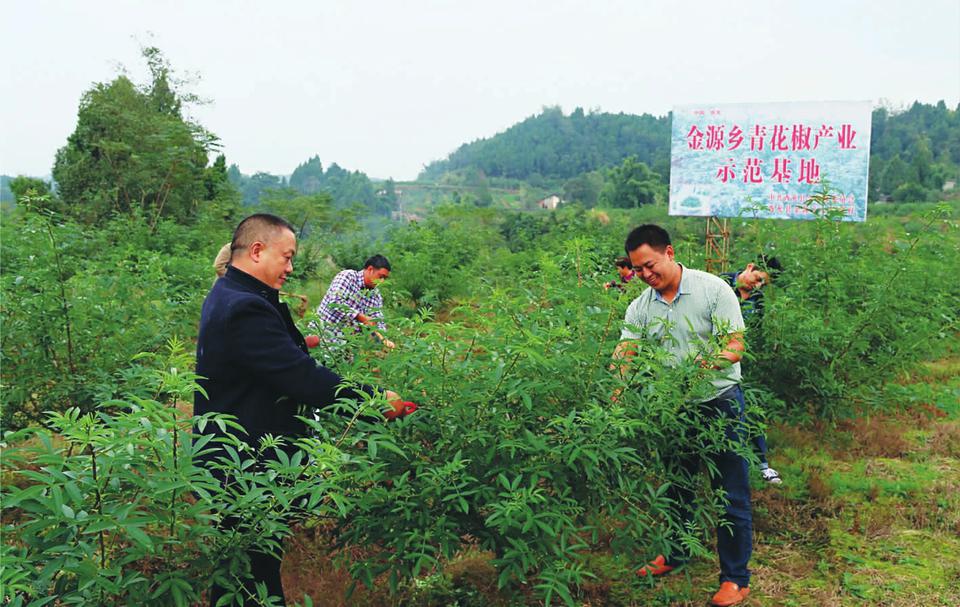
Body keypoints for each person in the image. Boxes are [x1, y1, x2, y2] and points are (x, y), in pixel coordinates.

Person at [195, 214, 409, 606]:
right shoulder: (245, 306)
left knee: (246, 568)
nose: (292, 268)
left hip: (242, 458)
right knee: (251, 574)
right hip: (245, 464)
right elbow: (302, 379)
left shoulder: (235, 294)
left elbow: (270, 361)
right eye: (287, 257)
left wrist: (294, 346)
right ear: (257, 251)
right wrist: (376, 402)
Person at [615, 224, 753, 607]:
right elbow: (627, 349)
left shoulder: (714, 290)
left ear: (670, 253)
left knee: (731, 493)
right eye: (638, 269)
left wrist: (700, 366)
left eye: (650, 265)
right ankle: (675, 555)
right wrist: (617, 383)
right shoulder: (641, 306)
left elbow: (735, 345)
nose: (645, 274)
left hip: (719, 403)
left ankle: (735, 578)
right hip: (673, 410)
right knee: (677, 489)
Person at [721, 258, 784, 484]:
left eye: (763, 284)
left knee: (751, 411)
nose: (757, 286)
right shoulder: (720, 284)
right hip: (717, 362)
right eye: (758, 279)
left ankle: (763, 465)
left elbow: (758, 330)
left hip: (744, 365)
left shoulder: (757, 299)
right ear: (749, 267)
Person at [316, 254, 395, 350]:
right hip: (323, 338)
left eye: (385, 278)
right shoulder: (348, 276)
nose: (382, 281)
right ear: (370, 269)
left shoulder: (375, 295)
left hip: (346, 347)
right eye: (380, 276)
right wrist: (360, 317)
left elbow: (377, 320)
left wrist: (384, 339)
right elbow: (335, 302)